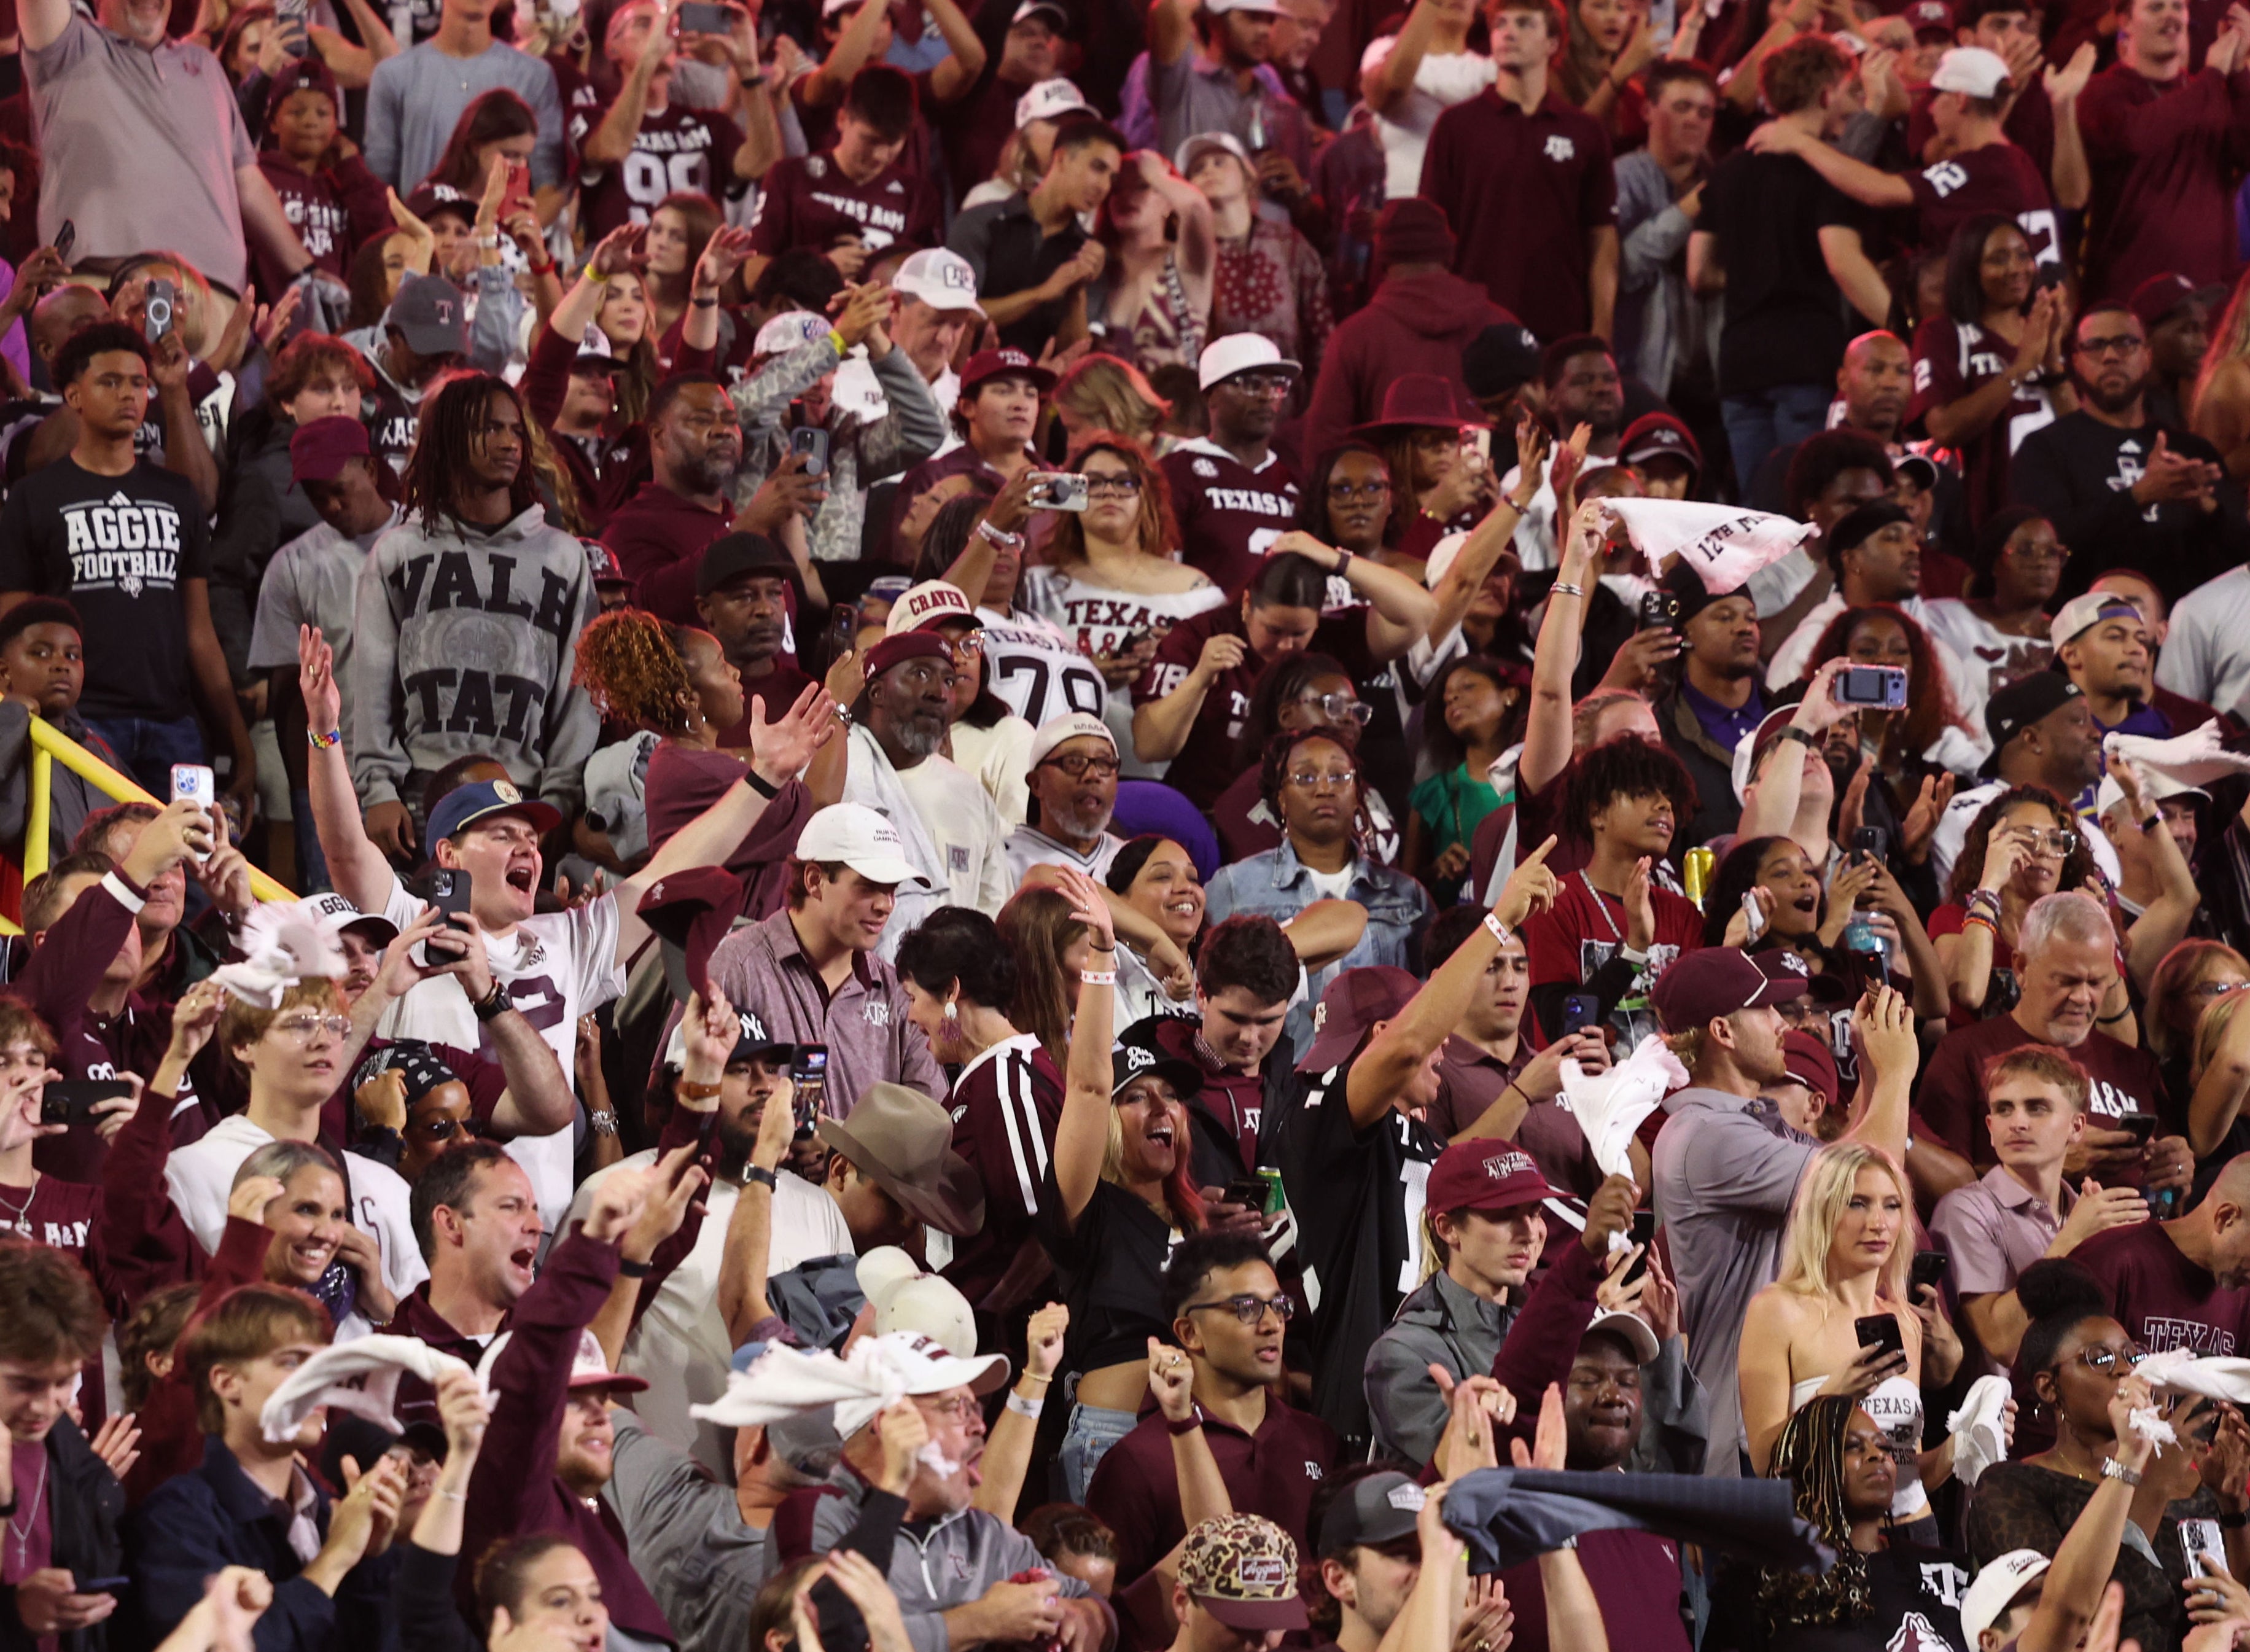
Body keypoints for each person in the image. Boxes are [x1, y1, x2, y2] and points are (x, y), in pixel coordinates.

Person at [1274, 844, 1560, 1444]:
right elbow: (1407, 1048)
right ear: (1384, 1034)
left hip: (1447, 1369)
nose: (1441, 1047)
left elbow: (1464, 1161)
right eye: (1431, 1032)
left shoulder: (1417, 1132)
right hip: (1365, 1405)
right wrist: (1497, 921)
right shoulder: (1324, 1116)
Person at [1649, 951, 1915, 1477]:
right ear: (1723, 1030)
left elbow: (1849, 1160)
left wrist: (1869, 1070)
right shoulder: (1706, 1135)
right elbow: (1867, 1181)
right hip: (1756, 1438)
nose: (1782, 1024)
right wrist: (1899, 1073)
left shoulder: (1751, 1124)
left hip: (1809, 1408)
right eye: (1767, 1008)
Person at [0, 322, 255, 817]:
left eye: (139, 383)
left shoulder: (177, 495)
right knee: (87, 869)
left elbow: (199, 631)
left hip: (173, 722)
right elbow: (11, 623)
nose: (129, 395)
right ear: (73, 395)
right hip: (79, 721)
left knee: (182, 881)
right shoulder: (36, 496)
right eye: (110, 382)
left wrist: (238, 741)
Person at [348, 371, 603, 840]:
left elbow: (579, 694)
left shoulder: (563, 557)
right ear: (448, 439)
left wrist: (557, 801)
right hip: (419, 790)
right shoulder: (398, 552)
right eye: (489, 429)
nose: (509, 443)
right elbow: (370, 684)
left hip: (523, 791)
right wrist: (379, 789)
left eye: (515, 431)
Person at [1964, 1259, 2249, 1652]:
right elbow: (2074, 1624)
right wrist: (2151, 1485)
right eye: (2098, 1359)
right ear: (2048, 1388)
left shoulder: (2184, 1477)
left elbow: (2232, 1601)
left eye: (2132, 1356)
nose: (2123, 1372)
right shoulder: (2011, 1486)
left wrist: (2233, 1507)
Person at [127, 1283, 410, 1652]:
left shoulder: (332, 1512)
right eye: (292, 1363)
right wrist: (336, 1558)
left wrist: (371, 1561)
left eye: (323, 1365)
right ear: (227, 1383)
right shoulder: (174, 1520)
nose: (318, 1382)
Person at [1084, 1232, 1339, 1587]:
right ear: (1189, 1333)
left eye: (1278, 1305)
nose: (1272, 1324)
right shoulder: (1137, 1462)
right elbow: (1111, 1612)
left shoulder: (1316, 1439)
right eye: (1246, 1309)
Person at [1691, 33, 1888, 490]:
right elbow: (1842, 261)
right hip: (1807, 360)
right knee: (1807, 501)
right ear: (1826, 94)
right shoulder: (1831, 173)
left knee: (1759, 509)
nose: (1855, 107)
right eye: (1849, 92)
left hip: (1739, 363)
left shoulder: (1727, 172)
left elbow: (1699, 271)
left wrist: (1751, 274)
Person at [157, 976, 427, 1309]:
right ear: (245, 1045)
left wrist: (384, 1305)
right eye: (300, 1025)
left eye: (334, 1025)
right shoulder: (189, 1174)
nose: (323, 1040)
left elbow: (432, 1335)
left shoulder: (386, 1186)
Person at [19, 0, 319, 298]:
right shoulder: (68, 49)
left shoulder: (206, 66)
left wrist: (307, 271)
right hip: (106, 288)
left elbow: (247, 182)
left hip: (217, 305)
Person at [1738, 1144, 1964, 1531]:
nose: (1879, 1223)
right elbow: (1766, 1463)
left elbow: (1907, 1473)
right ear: (1822, 1211)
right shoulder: (1777, 1310)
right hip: (1826, 1535)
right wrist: (1834, 1399)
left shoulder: (1905, 1321)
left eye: (1892, 1205)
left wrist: (1963, 1446)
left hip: (1915, 1532)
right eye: (1857, 1203)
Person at [1132, 544, 1434, 810]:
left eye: (1299, 633)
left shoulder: (1333, 638)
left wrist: (1334, 559)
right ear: (1248, 605)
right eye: (1274, 631)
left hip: (1307, 822)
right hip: (1209, 815)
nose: (1285, 646)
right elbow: (1149, 747)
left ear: (1318, 617)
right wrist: (1199, 679)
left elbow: (1422, 612)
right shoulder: (1199, 637)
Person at [1918, 892, 2185, 1192]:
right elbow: (1942, 1188)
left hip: (2134, 1233)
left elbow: (2165, 1186)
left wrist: (2175, 1171)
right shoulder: (1964, 1054)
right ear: (2021, 968)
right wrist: (2048, 1162)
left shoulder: (2135, 1067)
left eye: (2097, 983)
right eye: (2067, 981)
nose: (2083, 998)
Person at [1204, 728, 1431, 1051]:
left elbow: (1429, 993)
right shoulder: (1233, 885)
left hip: (1376, 1073)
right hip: (1274, 1077)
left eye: (1339, 776)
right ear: (1281, 798)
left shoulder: (1405, 894)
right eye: (1306, 778)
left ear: (1358, 794)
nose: (1325, 788)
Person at [2010, 305, 2250, 606]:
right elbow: (2049, 544)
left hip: (2185, 633)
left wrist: (2210, 509)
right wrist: (2139, 496)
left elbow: (2242, 555)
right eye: (2095, 346)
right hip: (2090, 630)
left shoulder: (2193, 452)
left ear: (2147, 356)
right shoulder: (2045, 449)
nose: (2111, 356)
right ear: (2076, 361)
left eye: (2125, 343)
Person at [1929, 1046, 2149, 1370]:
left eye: (2037, 1109)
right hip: (2007, 1414)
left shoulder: (2089, 1211)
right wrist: (2073, 1238)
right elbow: (2001, 1343)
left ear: (2077, 1127)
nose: (2017, 1122)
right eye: (2004, 1109)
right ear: (1989, 1128)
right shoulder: (1966, 1210)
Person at [1418, 0, 1617, 346]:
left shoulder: (1585, 131)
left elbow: (1602, 237)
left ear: (1553, 43)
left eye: (1525, 24)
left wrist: (1602, 328)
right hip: (1474, 325)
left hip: (1561, 326)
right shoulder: (1456, 126)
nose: (1509, 33)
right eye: (1501, 24)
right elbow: (1433, 233)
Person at [895, 906, 1056, 1313]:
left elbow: (1050, 1229)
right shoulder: (984, 1079)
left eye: (913, 997)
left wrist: (991, 1312)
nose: (912, 1015)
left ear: (951, 992)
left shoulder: (1006, 1085)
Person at [1743, 1397, 1975, 1652]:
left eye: (1884, 1447)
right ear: (1806, 1468)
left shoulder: (1945, 1569)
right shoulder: (1767, 1585)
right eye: (1853, 1446)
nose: (1877, 1455)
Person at [1300, 199, 1518, 464]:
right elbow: (1533, 430)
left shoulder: (1355, 336)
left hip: (1390, 499)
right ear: (1448, 251)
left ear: (1382, 255)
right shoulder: (1502, 326)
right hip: (1493, 499)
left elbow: (1325, 446)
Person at [1519, 731, 1703, 1045]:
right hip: (1584, 1092)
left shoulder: (1682, 913)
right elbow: (1562, 1027)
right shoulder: (1556, 906)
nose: (1664, 805)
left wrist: (1732, 948)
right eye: (1644, 793)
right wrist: (1633, 950)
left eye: (1668, 798)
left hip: (1674, 1093)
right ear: (1597, 814)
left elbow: (1699, 1028)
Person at [841, 629, 1011, 950]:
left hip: (952, 987)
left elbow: (993, 910)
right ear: (877, 692)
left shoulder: (970, 795)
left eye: (949, 680)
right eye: (920, 674)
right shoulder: (841, 770)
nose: (940, 692)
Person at [1907, 216, 2077, 529]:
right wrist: (2020, 368)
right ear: (1970, 268)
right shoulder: (1945, 333)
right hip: (1985, 519)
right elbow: (1944, 428)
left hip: (2056, 517)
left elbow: (2079, 440)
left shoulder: (2046, 326)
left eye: (2024, 255)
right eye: (1999, 259)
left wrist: (2053, 364)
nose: (2016, 268)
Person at [2076, 0, 2250, 304]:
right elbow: (2136, 136)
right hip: (2130, 303)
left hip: (2211, 297)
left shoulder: (2209, 92)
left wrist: (2238, 73)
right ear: (2125, 22)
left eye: (2178, 7)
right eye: (2156, 7)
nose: (2171, 15)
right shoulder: (2101, 92)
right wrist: (2213, 75)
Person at [0, 1239, 124, 1651]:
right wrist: (14, 1614)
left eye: (64, 1382)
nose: (46, 1405)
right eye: (25, 1384)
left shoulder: (69, 1454)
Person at [575, 0, 765, 238]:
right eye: (645, 25)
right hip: (624, 267)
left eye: (666, 27)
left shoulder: (711, 124)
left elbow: (761, 162)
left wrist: (749, 70)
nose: (659, 34)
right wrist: (647, 64)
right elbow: (610, 150)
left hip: (698, 267)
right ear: (613, 46)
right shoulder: (590, 119)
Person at [948, 114, 1126, 356]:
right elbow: (956, 314)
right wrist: (1041, 294)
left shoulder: (1090, 255)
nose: (1104, 186)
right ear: (1061, 158)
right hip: (964, 380)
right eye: (1098, 168)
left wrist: (1076, 294)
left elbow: (1075, 354)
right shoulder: (981, 222)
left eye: (1112, 178)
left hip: (1039, 390)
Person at [362, 0, 566, 197]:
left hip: (502, 229)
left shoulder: (534, 76)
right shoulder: (394, 75)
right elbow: (379, 187)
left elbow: (549, 186)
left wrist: (517, 230)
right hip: (420, 228)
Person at [1159, 335, 1302, 593]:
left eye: (1277, 385)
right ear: (1211, 395)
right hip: (1202, 628)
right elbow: (1158, 571)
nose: (1266, 396)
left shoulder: (1294, 482)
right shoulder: (1177, 470)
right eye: (1250, 384)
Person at [1614, 61, 1720, 406]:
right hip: (1643, 372)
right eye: (1682, 107)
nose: (1694, 120)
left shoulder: (1723, 180)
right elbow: (1625, 264)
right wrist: (1693, 206)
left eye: (1705, 112)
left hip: (1712, 382)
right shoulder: (1624, 176)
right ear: (1647, 110)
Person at [1145, 0, 1313, 179]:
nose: (1265, 30)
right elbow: (1168, 10)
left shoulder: (1285, 110)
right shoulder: (1181, 87)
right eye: (1251, 18)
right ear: (1213, 21)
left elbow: (1310, 200)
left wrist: (1299, 194)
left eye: (1270, 20)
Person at [1921, 508, 2069, 704]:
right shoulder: (1942, 619)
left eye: (2052, 553)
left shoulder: (2069, 636)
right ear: (1994, 563)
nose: (2042, 562)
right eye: (2026, 551)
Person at [1008, 712, 1127, 882]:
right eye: (1074, 762)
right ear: (1036, 784)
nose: (1093, 775)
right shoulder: (1003, 858)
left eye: (1104, 763)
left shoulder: (1132, 859)